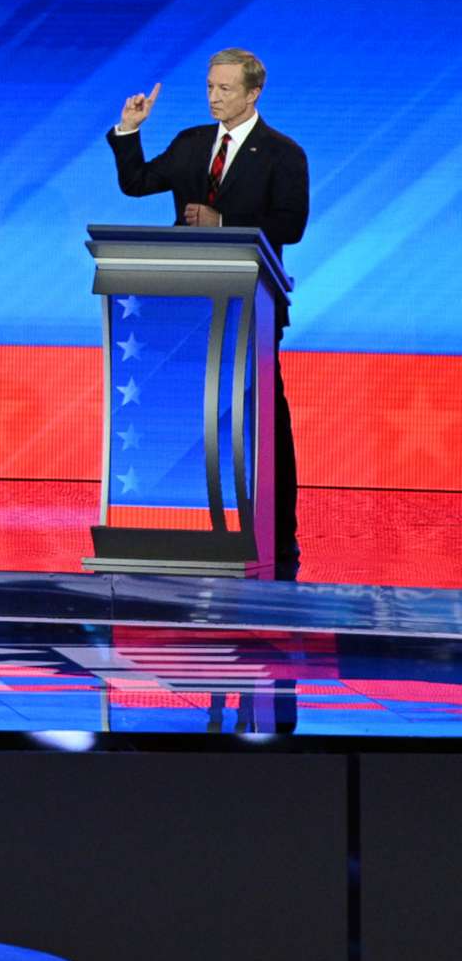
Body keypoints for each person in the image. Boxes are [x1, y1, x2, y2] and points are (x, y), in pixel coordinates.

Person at [110, 48, 309, 578]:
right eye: (209, 87)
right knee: (186, 413)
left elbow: (290, 226)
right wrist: (129, 131)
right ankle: (188, 521)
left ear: (253, 93)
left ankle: (278, 534)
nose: (214, 96)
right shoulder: (192, 142)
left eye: (225, 88)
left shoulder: (283, 153)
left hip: (252, 308)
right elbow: (136, 184)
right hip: (184, 308)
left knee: (265, 417)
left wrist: (223, 221)